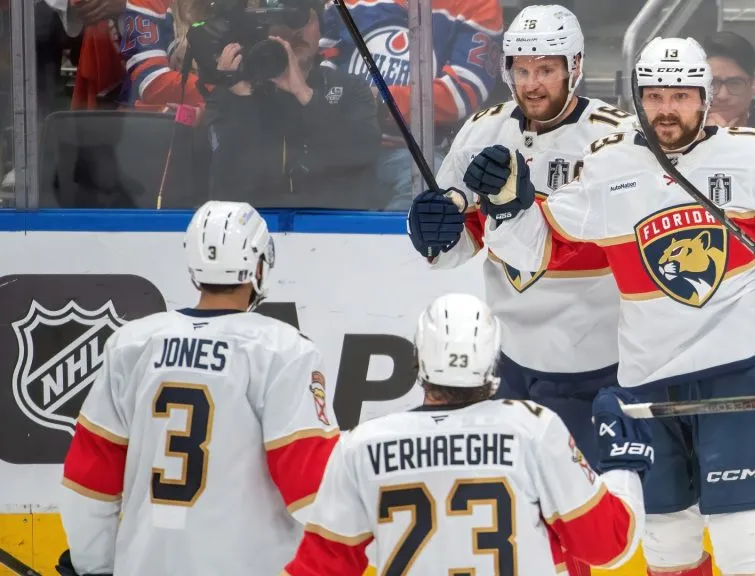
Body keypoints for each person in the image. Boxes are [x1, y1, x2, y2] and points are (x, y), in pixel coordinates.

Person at [460, 37, 755, 576]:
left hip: (740, 374)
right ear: (638, 98)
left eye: (681, 96)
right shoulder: (605, 166)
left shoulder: (754, 153)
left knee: (746, 541)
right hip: (647, 382)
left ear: (705, 97)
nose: (667, 109)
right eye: (655, 96)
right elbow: (538, 248)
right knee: (667, 544)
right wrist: (507, 203)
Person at [406, 4, 755, 484]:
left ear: (574, 67)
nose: (532, 83)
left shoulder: (618, 136)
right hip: (512, 365)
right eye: (522, 69)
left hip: (602, 370)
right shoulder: (481, 130)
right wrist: (433, 233)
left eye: (547, 69)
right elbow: (457, 239)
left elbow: (680, 214)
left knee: (617, 516)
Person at [56, 201, 340, 576]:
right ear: (257, 267)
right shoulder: (283, 351)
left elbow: (88, 479)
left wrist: (93, 566)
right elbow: (315, 492)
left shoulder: (133, 344)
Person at [281, 292, 651, 576]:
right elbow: (608, 546)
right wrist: (622, 465)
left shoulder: (361, 445)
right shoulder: (532, 427)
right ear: (493, 361)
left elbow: (320, 568)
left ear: (418, 362)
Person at [321, 0, 503, 210]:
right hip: (342, 143)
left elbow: (464, 90)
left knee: (428, 184)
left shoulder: (477, 4)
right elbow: (326, 65)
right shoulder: (346, 3)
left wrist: (378, 102)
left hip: (418, 149)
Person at [203, 0, 382, 209]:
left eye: (305, 18)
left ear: (320, 27)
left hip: (338, 229)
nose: (295, 30)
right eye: (283, 18)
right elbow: (227, 190)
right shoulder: (236, 92)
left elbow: (363, 153)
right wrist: (243, 99)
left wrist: (305, 94)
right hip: (259, 227)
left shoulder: (351, 88)